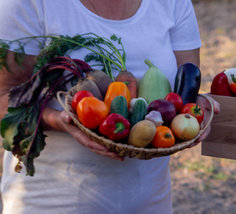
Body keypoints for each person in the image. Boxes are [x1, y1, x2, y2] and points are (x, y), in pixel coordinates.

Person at [0, 0, 219, 213]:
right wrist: (54, 119)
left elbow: (186, 86)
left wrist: (194, 110)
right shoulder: (29, 3)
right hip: (54, 199)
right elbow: (2, 98)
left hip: (150, 197)